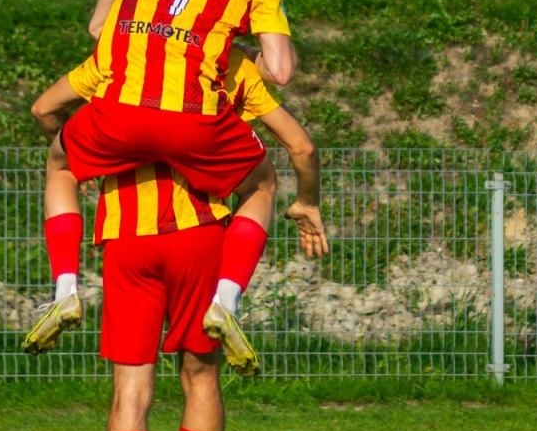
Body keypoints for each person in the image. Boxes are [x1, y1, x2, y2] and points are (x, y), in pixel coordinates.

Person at [43, 0, 297, 365]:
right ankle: (228, 300)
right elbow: (281, 72)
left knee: (61, 165)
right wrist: (235, 47)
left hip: (120, 120)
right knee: (263, 184)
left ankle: (65, 287)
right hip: (193, 125)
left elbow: (98, 27)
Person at [23, 50, 329, 373]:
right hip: (200, 229)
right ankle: (227, 301)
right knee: (201, 377)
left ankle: (65, 288)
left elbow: (43, 109)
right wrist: (307, 201)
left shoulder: (121, 50)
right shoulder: (238, 68)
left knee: (131, 382)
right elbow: (303, 147)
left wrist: (81, 158)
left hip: (126, 231)